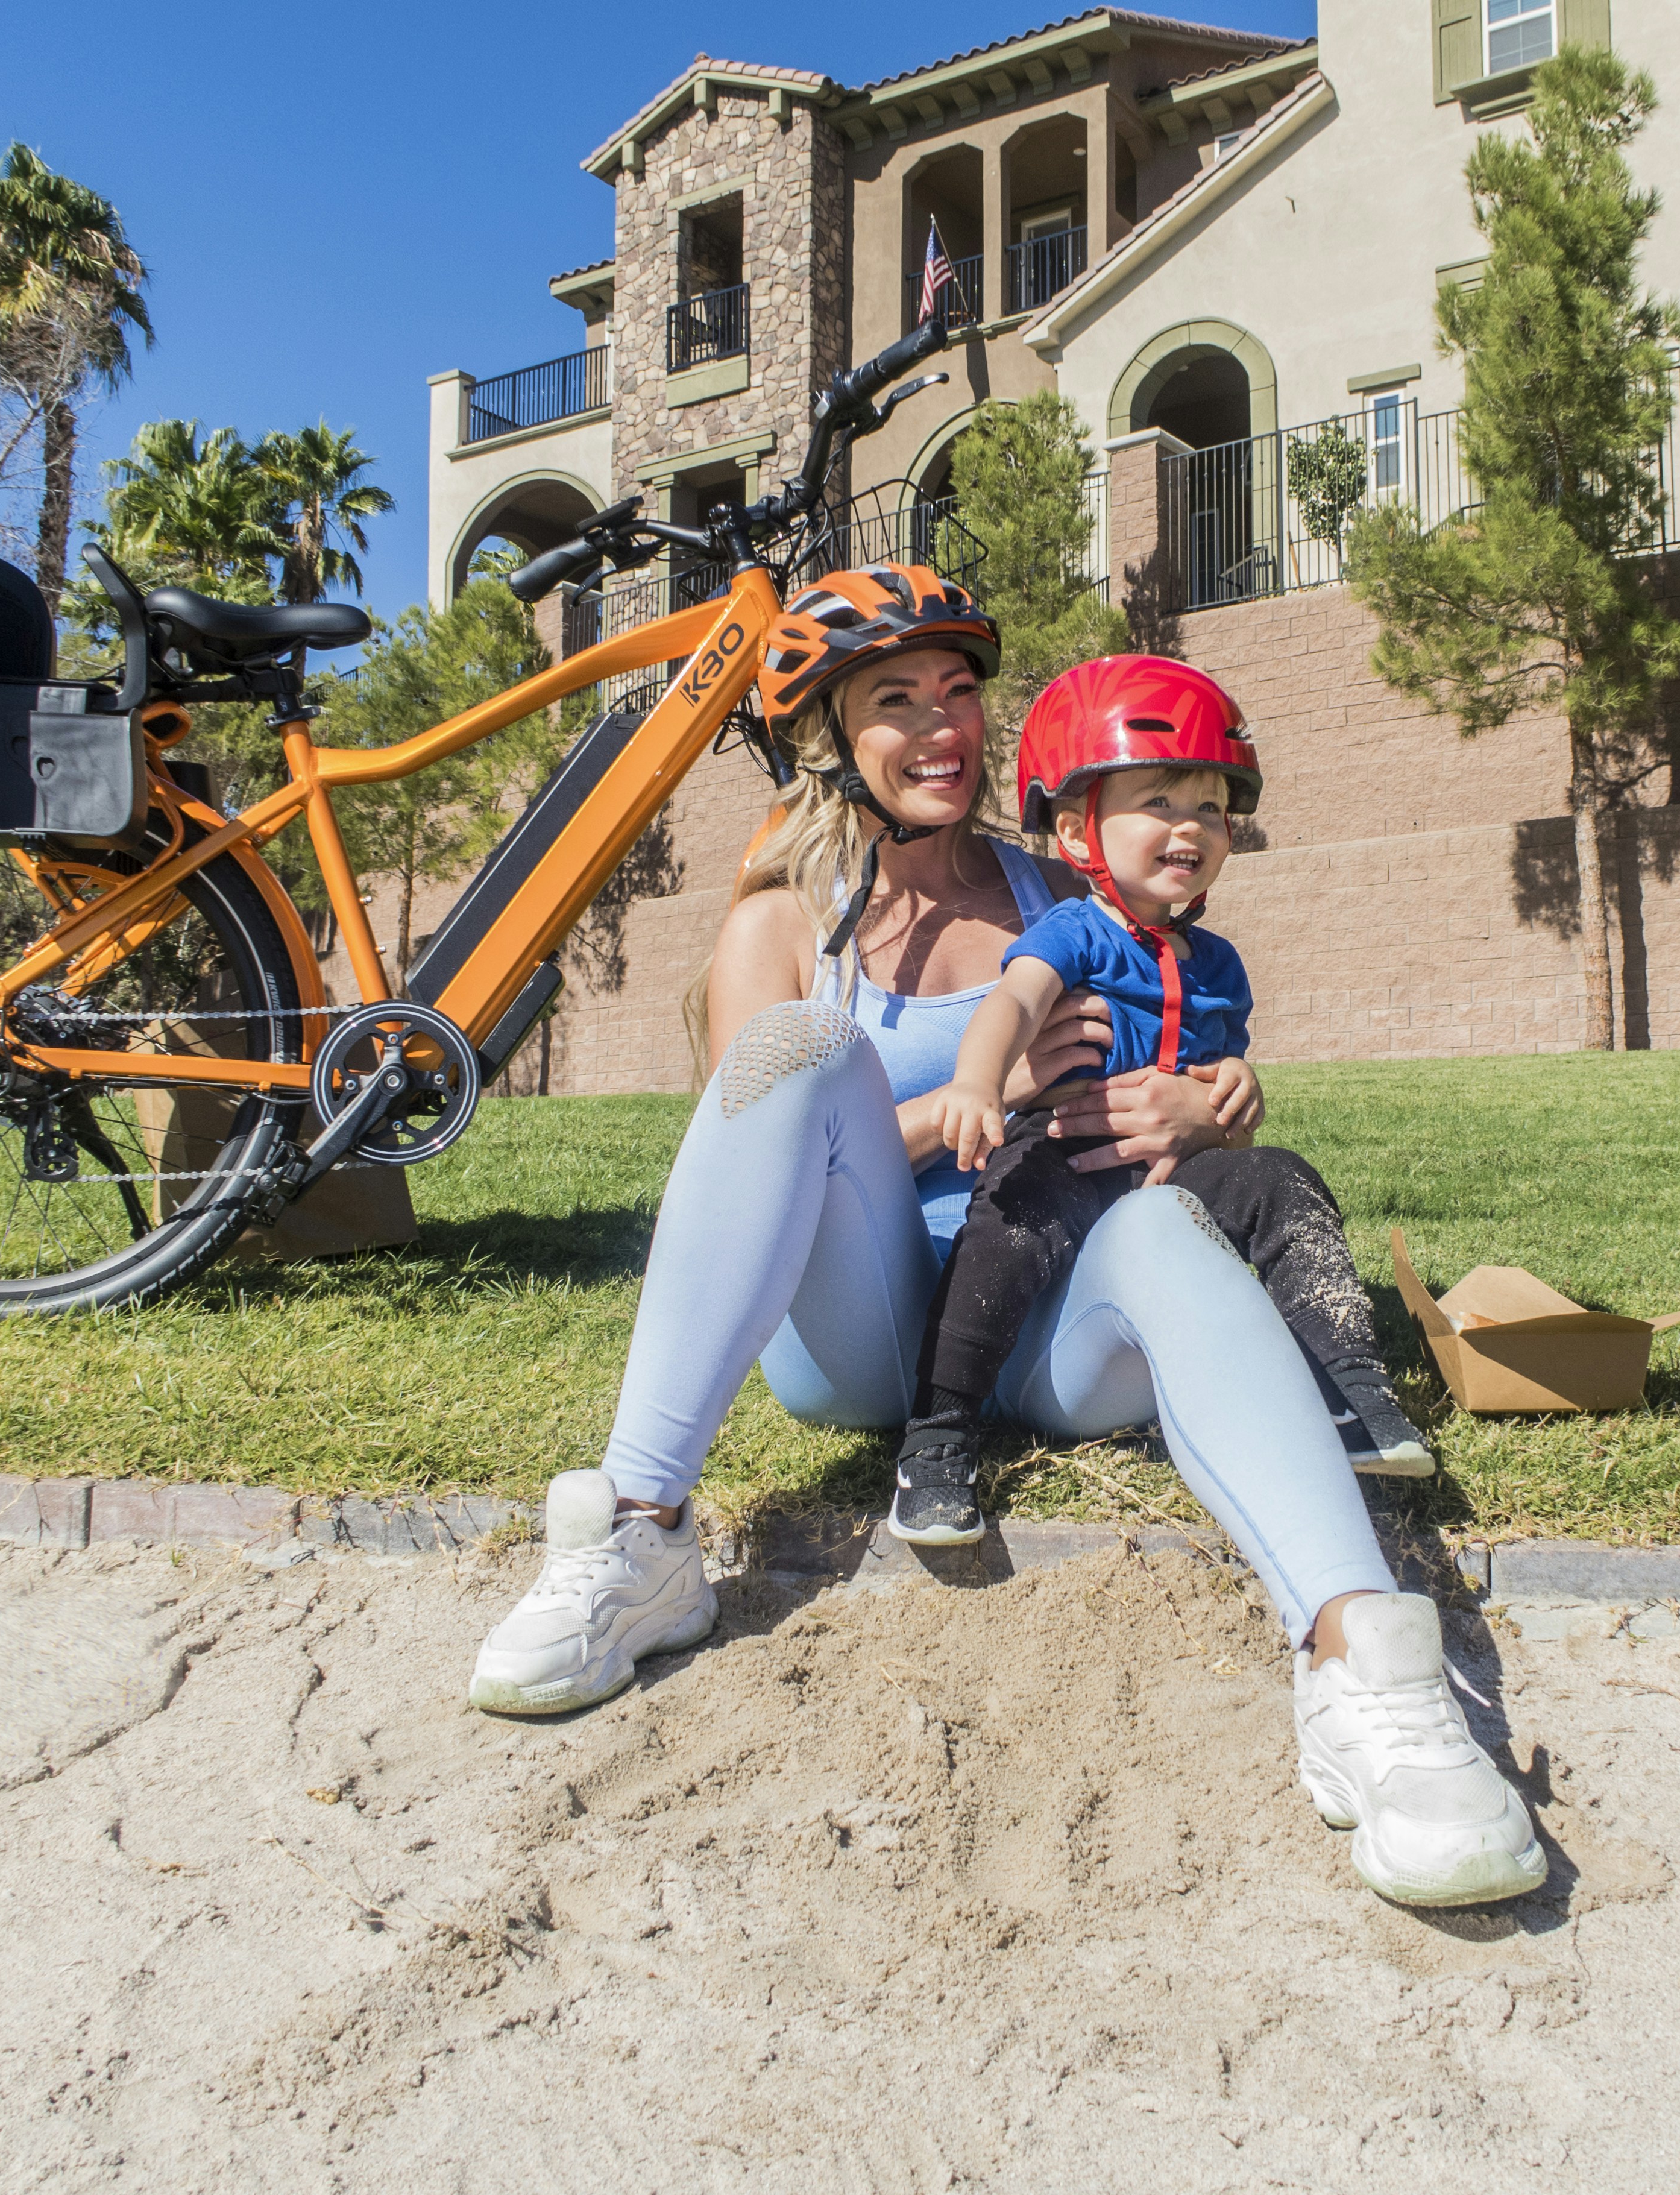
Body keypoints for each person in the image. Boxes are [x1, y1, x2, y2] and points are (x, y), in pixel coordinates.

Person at [465, 566, 1544, 1909]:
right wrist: (1000, 1093)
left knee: (1163, 1233)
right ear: (829, 739)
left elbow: (1178, 1062)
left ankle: (1363, 1668)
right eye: (896, 701)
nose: (942, 727)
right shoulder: (782, 924)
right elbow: (751, 1161)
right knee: (795, 1056)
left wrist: (1197, 1111)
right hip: (862, 1330)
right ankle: (637, 1535)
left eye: (960, 692)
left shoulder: (1066, 886)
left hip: (1047, 1318)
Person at [892, 655, 1433, 1551]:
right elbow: (1012, 1005)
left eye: (1211, 809)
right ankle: (939, 1440)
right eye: (1160, 803)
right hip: (1067, 1149)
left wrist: (1236, 1092)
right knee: (1006, 1226)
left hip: (1178, 1169)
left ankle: (1354, 1392)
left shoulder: (1219, 962)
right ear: (1076, 832)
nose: (1192, 826)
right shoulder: (1075, 929)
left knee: (1284, 1181)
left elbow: (1219, 1075)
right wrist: (977, 1083)